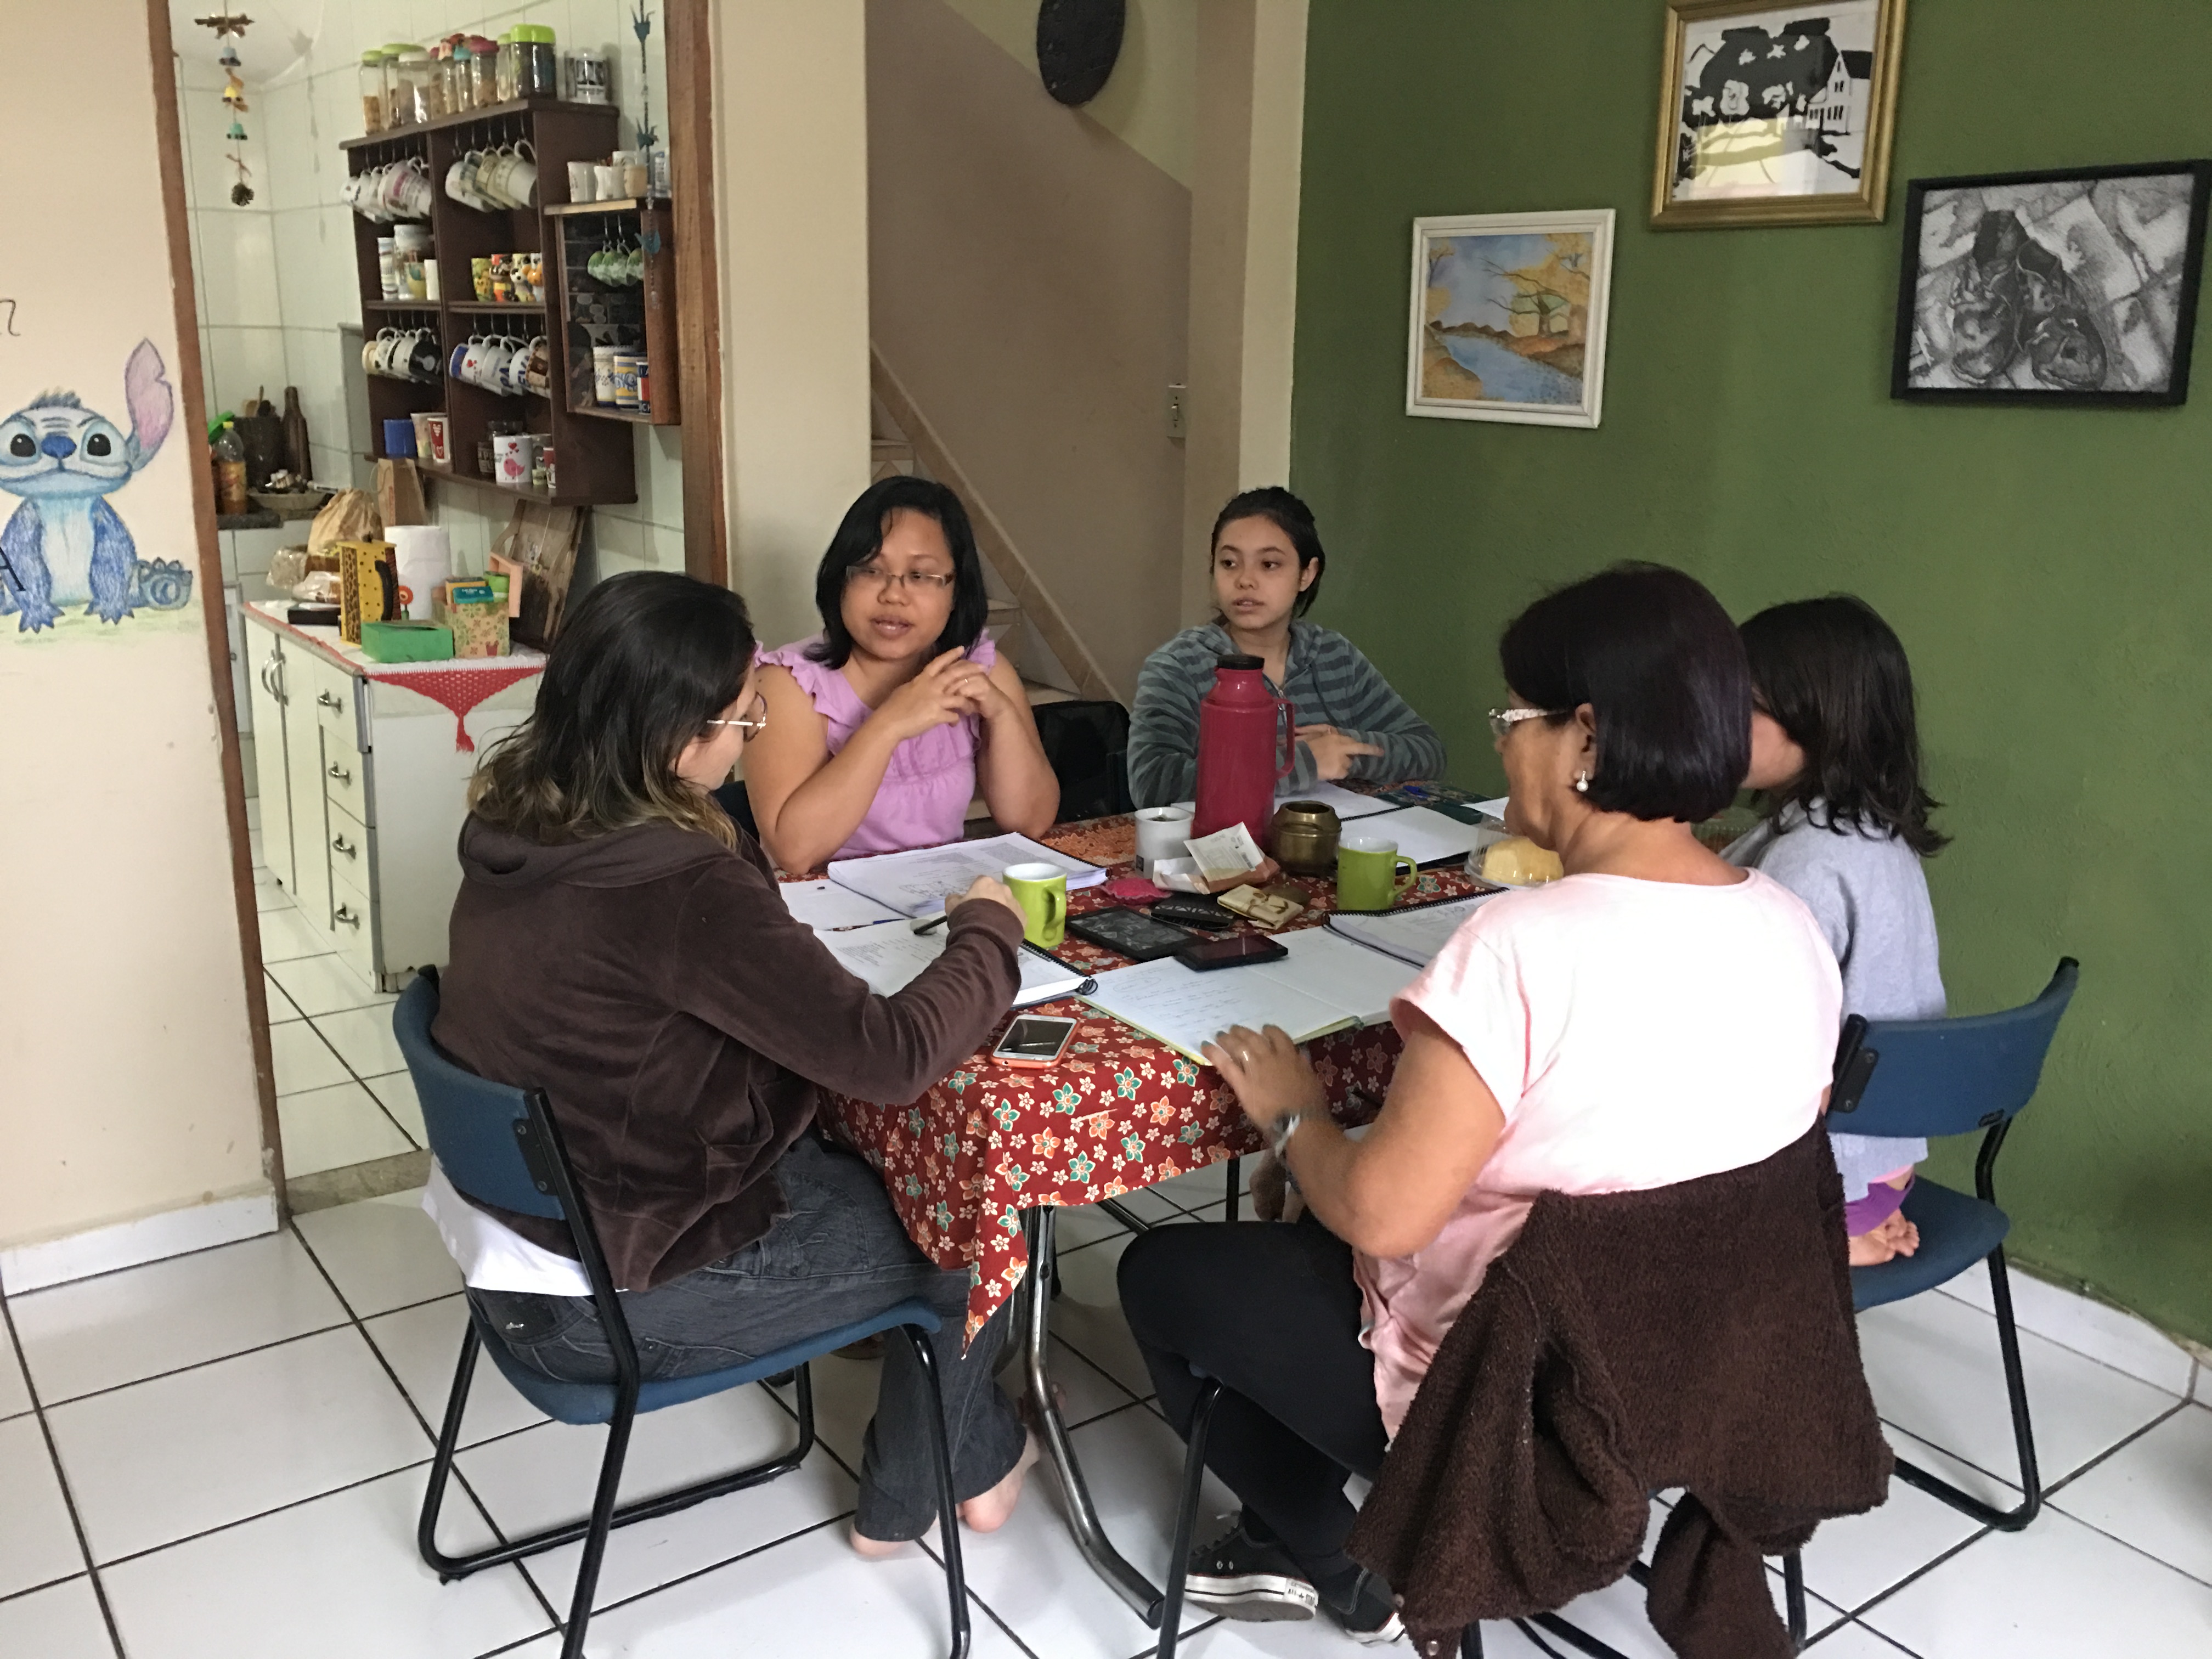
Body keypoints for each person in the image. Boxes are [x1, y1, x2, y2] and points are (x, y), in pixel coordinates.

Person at [1115, 564, 1841, 1638]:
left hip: (1511, 1398)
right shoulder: (1789, 923)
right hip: (1692, 1373)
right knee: (1315, 1207)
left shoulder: (1519, 946)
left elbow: (1383, 1215)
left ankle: (1326, 1552)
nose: (1500, 745)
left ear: (1585, 735)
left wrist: (1296, 1114)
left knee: (1158, 1272)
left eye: (1512, 720)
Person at [428, 570, 1038, 1557]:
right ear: (680, 737)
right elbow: (892, 1058)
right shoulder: (676, 882)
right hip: (613, 1296)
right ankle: (930, 1488)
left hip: (522, 1246)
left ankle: (954, 1432)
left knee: (886, 1164)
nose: (752, 734)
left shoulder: (518, 823)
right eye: (744, 719)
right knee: (971, 1223)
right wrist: (987, 932)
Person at [1725, 595, 1948, 1266]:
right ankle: (1850, 1225)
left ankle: (1819, 1241)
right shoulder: (1873, 834)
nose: (1718, 722)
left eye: (1742, 705)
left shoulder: (1807, 863)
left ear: (1815, 720)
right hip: (1883, 1164)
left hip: (1825, 1182)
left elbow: (1749, 1043)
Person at [746, 476, 1058, 872]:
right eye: (870, 571)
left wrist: (1001, 715)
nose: (893, 595)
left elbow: (1031, 821)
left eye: (920, 576)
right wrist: (891, 723)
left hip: (936, 898)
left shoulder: (981, 670)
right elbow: (795, 854)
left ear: (956, 592)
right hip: (820, 903)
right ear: (840, 582)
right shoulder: (788, 685)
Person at [1126, 488, 1444, 808]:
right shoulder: (1178, 665)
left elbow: (1427, 750)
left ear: (1306, 574)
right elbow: (1153, 784)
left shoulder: (1335, 656)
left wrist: (1342, 749)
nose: (1245, 580)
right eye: (1229, 563)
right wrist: (1301, 762)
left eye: (1269, 564)